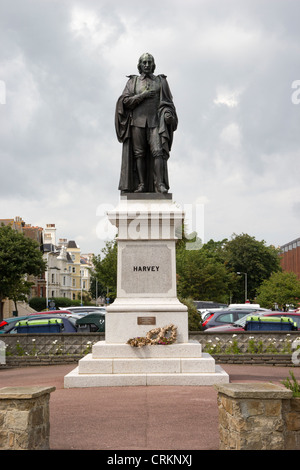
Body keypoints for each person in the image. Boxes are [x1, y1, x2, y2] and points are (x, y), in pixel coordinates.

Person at [115, 53, 178, 194]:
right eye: (144, 62)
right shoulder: (133, 82)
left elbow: (168, 103)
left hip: (156, 123)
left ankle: (160, 184)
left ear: (153, 65)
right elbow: (124, 102)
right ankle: (141, 184)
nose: (147, 65)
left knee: (158, 152)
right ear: (140, 65)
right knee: (139, 154)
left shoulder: (161, 81)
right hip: (137, 123)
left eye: (150, 62)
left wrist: (168, 114)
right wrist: (141, 96)